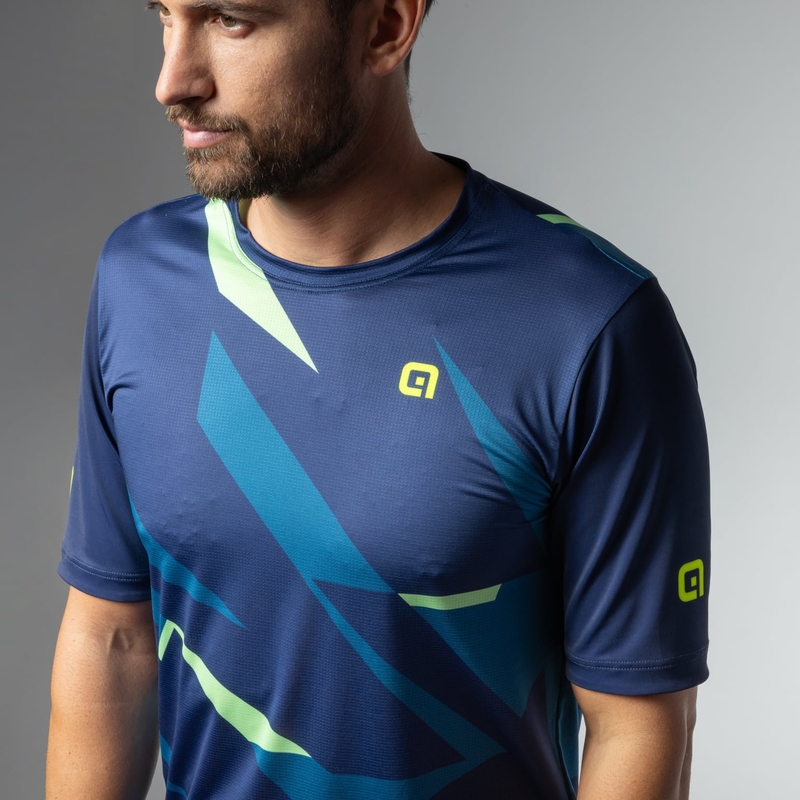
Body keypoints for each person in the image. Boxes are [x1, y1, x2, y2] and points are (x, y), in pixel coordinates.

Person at [46, 0, 710, 798]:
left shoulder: (590, 322)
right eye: (165, 15)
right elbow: (111, 634)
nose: (172, 81)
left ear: (386, 27)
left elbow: (636, 722)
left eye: (231, 20)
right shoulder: (138, 280)